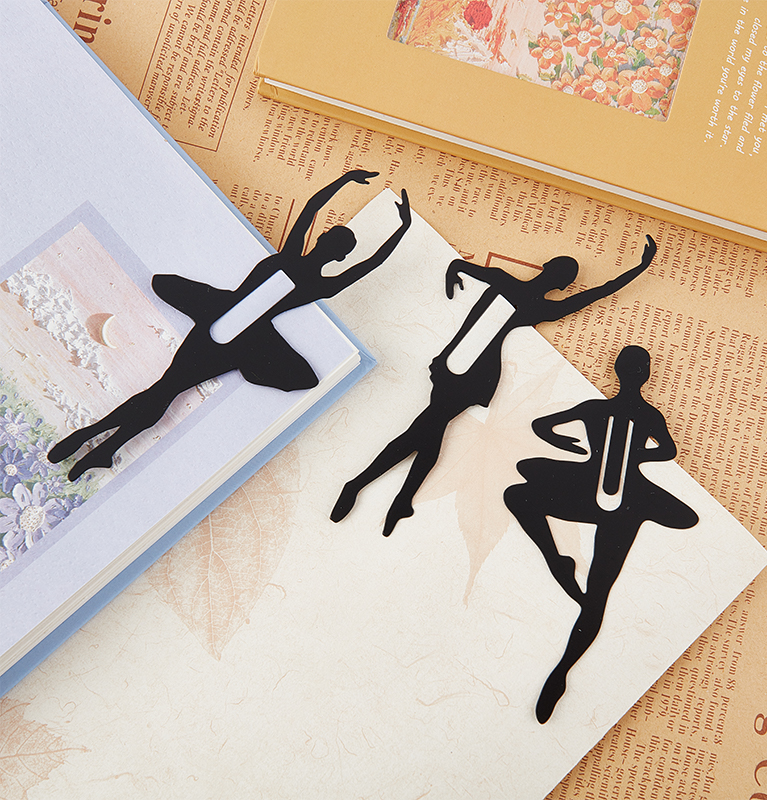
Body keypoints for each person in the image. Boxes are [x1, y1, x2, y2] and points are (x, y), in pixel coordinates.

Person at [50, 170, 411, 480]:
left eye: (332, 240)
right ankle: (103, 444)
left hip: (231, 329)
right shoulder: (308, 274)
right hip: (227, 327)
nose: (328, 241)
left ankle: (95, 438)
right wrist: (363, 194)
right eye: (331, 237)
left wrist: (389, 217)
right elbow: (325, 219)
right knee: (168, 388)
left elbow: (358, 251)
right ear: (329, 245)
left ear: (331, 248)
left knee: (168, 387)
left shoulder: (304, 271)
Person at [331, 235, 657, 537]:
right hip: (470, 368)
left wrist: (453, 275)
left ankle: (372, 488)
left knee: (429, 428)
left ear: (550, 272)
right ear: (559, 282)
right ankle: (380, 491)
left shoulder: (509, 285)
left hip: (464, 365)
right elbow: (598, 293)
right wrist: (638, 269)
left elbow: (459, 267)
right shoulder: (536, 303)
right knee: (429, 430)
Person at [503, 345, 698, 723]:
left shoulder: (595, 408)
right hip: (625, 501)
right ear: (645, 374)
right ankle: (562, 668)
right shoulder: (649, 415)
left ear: (618, 370)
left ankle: (554, 558)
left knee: (518, 494)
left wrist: (565, 444)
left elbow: (543, 426)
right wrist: (638, 456)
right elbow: (669, 451)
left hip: (588, 490)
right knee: (598, 594)